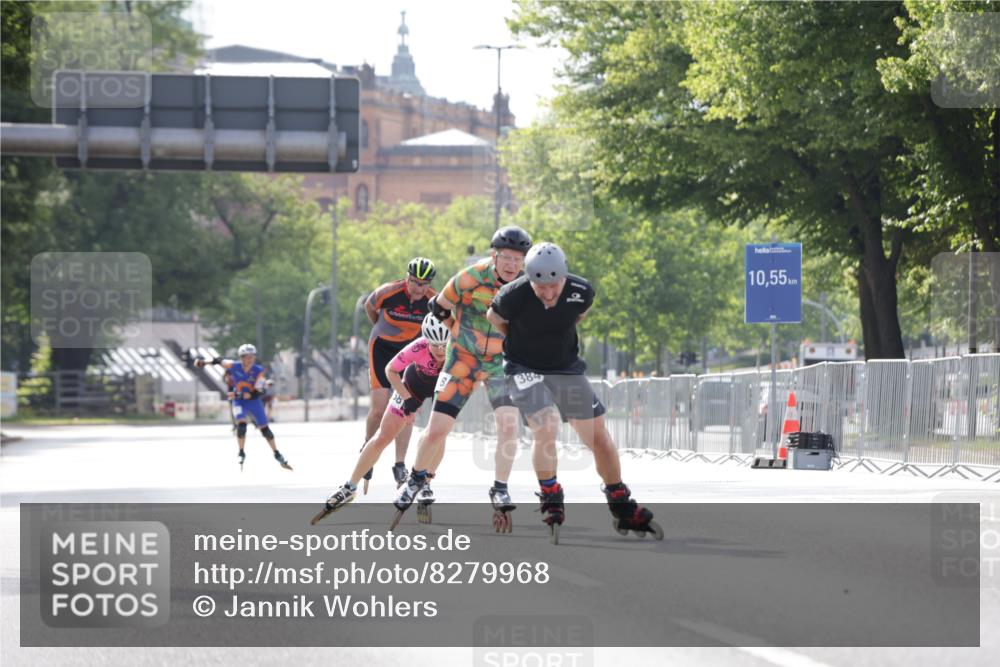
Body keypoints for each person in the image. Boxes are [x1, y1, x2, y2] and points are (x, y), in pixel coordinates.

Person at [485, 242, 662, 543]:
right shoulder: (511, 296)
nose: (549, 293)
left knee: (599, 437)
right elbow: (495, 319)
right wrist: (523, 340)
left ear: (564, 276)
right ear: (529, 279)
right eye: (541, 287)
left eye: (554, 285)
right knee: (547, 424)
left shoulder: (582, 291)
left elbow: (579, 314)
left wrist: (554, 335)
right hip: (523, 367)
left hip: (565, 367)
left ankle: (620, 501)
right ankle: (551, 493)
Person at [392, 226, 532, 532]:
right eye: (506, 258)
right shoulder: (471, 276)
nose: (511, 265)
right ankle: (416, 478)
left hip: (499, 363)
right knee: (437, 431)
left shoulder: (527, 284)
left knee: (509, 425)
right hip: (463, 361)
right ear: (495, 255)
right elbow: (437, 305)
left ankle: (500, 486)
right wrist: (456, 331)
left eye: (518, 259)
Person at [311, 314, 451, 525]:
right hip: (413, 384)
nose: (440, 351)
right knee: (382, 437)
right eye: (434, 345)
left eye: (444, 345)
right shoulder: (418, 347)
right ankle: (349, 487)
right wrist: (407, 399)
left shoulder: (460, 350)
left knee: (437, 434)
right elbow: (390, 370)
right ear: (425, 340)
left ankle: (426, 483)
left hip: (445, 386)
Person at [363, 257, 438, 487]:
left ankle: (399, 464)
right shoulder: (388, 291)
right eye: (415, 282)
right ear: (407, 278)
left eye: (424, 284)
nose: (419, 288)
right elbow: (369, 306)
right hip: (382, 347)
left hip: (409, 352)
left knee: (408, 407)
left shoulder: (432, 300)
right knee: (379, 407)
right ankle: (367, 447)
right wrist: (380, 327)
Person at [196, 343, 291, 471]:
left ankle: (277, 453)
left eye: (252, 357)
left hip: (253, 401)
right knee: (241, 425)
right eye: (246, 357)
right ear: (241, 357)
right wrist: (203, 362)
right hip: (239, 401)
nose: (249, 360)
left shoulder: (258, 370)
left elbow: (258, 392)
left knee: (265, 430)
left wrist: (242, 393)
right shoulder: (234, 366)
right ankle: (241, 452)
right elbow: (218, 360)